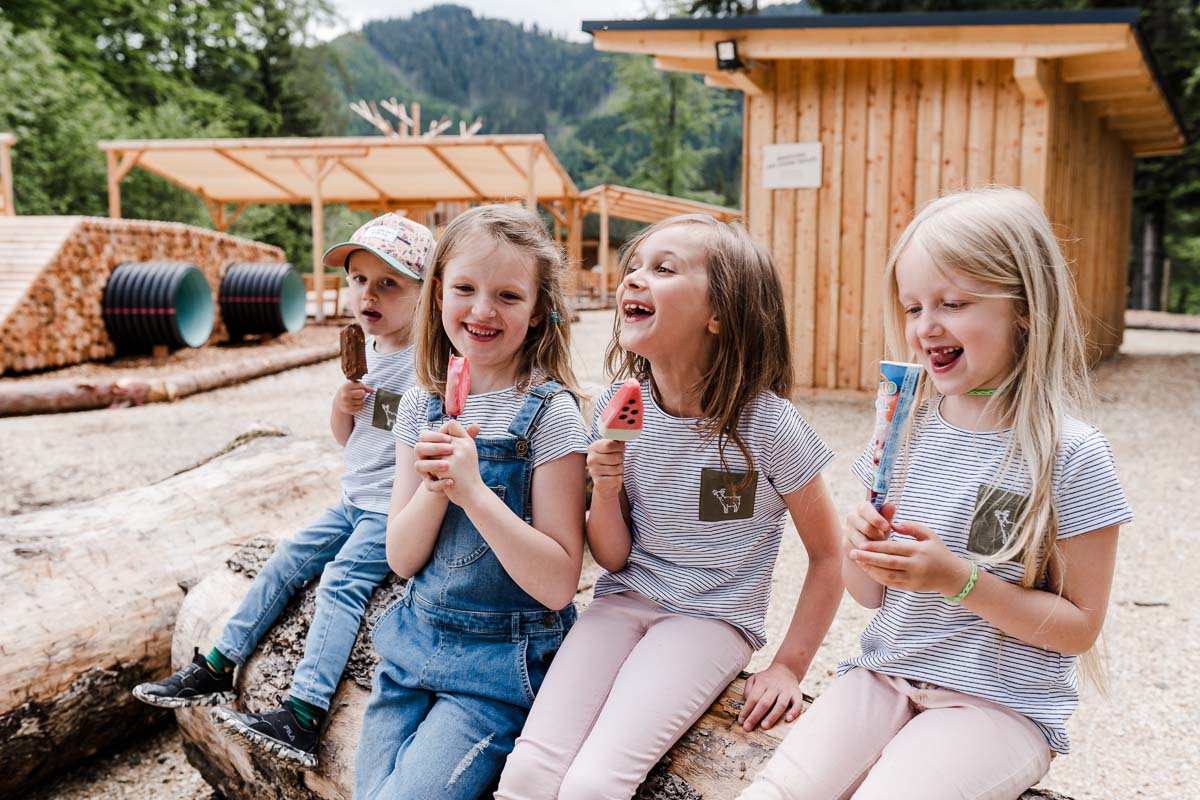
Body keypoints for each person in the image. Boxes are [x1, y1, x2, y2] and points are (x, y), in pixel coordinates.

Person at [738, 187, 1134, 800]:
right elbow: (869, 595)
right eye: (912, 306)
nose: (926, 327)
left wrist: (959, 580)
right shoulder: (903, 426)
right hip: (882, 675)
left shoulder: (1071, 454)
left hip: (999, 705)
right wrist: (861, 544)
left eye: (953, 302)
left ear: (1025, 308)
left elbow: (1079, 628)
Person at [496, 214, 845, 800]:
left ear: (719, 315)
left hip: (710, 618)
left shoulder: (767, 424)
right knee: (529, 771)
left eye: (663, 269)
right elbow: (612, 557)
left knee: (593, 785)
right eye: (634, 265)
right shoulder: (619, 403)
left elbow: (830, 557)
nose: (634, 278)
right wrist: (605, 491)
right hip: (621, 599)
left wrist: (788, 665)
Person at [132, 213, 436, 769]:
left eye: (389, 283)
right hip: (353, 499)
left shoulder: (424, 365)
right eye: (359, 280)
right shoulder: (368, 352)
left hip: (392, 511)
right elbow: (349, 440)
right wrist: (342, 408)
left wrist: (377, 406)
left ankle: (304, 715)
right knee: (288, 557)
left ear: (427, 292)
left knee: (341, 581)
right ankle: (218, 666)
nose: (369, 294)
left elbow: (415, 433)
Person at [352, 204, 589, 799]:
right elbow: (402, 559)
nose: (483, 310)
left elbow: (560, 582)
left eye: (508, 296)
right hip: (412, 646)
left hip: (499, 668)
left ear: (538, 314)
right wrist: (435, 489)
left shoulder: (551, 416)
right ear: (437, 296)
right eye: (465, 288)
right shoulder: (419, 406)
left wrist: (476, 492)